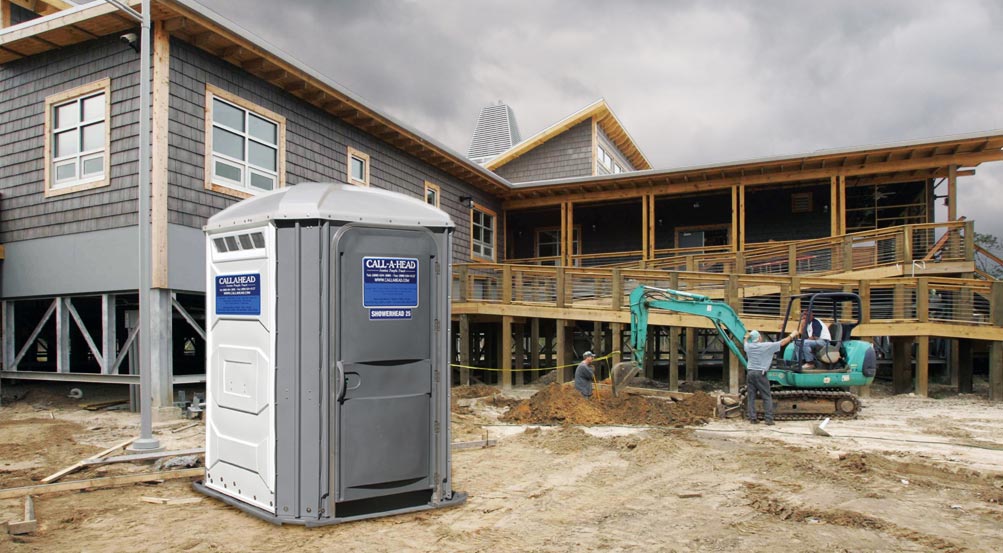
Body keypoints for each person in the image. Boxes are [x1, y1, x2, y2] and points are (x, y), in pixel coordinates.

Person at [743, 329, 796, 425]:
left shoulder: (748, 347)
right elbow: (783, 342)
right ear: (759, 338)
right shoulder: (766, 346)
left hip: (750, 373)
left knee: (751, 397)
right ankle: (768, 419)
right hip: (760, 373)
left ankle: (752, 418)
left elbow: (745, 343)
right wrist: (792, 335)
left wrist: (746, 338)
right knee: (766, 396)